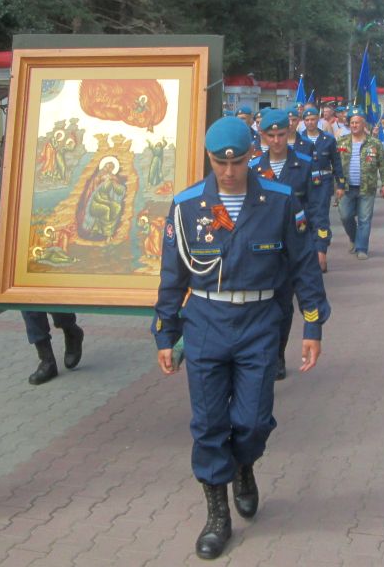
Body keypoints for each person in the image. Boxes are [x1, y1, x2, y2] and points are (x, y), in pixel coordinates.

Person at [152, 116, 329, 560]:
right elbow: (172, 277)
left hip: (260, 321)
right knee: (208, 423)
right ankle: (217, 515)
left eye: (238, 162)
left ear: (252, 154)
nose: (229, 172)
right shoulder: (187, 205)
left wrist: (312, 326)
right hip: (206, 322)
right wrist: (164, 334)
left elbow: (304, 265)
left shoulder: (280, 200)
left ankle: (244, 465)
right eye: (219, 163)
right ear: (208, 159)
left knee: (252, 420)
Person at [0, 194, 84, 384]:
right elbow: (1, 199)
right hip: (20, 245)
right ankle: (46, 360)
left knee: (55, 297)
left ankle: (71, 330)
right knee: (27, 302)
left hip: (47, 237)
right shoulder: (11, 166)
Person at [249, 108, 316, 380]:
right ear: (262, 135)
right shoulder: (252, 168)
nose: (276, 141)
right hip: (260, 251)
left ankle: (277, 354)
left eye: (281, 134)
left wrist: (319, 244)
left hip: (290, 249)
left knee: (284, 306)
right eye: (270, 135)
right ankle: (259, 353)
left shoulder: (302, 163)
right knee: (259, 306)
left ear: (288, 133)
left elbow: (315, 206)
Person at [335, 107, 384, 260]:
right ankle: (354, 238)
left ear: (364, 124)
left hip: (367, 187)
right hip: (346, 188)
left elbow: (383, 165)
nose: (354, 125)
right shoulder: (341, 142)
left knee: (364, 219)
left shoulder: (374, 143)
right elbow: (334, 164)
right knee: (345, 216)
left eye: (357, 122)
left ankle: (362, 248)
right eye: (352, 123)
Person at [298, 106, 346, 274]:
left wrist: (340, 184)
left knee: (321, 217)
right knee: (304, 218)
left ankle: (321, 251)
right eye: (307, 120)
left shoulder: (328, 139)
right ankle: (309, 253)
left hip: (323, 183)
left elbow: (337, 162)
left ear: (318, 120)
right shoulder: (299, 140)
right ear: (303, 122)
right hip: (304, 185)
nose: (310, 122)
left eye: (313, 119)